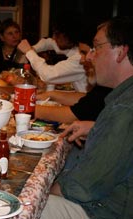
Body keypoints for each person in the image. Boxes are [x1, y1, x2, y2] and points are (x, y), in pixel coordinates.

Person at [40, 16, 133, 219]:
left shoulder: (125, 109)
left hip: (102, 210)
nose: (89, 57)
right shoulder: (123, 99)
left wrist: (40, 191)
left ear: (121, 52)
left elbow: (82, 187)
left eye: (97, 47)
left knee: (16, 206)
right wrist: (98, 127)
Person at [35, 21, 112, 123]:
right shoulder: (107, 86)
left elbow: (74, 114)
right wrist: (52, 94)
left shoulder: (111, 83)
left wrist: (28, 108)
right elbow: (88, 100)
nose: (83, 59)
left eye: (87, 52)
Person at [18, 14, 88, 92]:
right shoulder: (75, 48)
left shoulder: (79, 59)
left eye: (57, 34)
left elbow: (49, 75)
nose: (54, 37)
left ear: (68, 35)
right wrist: (33, 48)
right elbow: (48, 43)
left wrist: (29, 51)